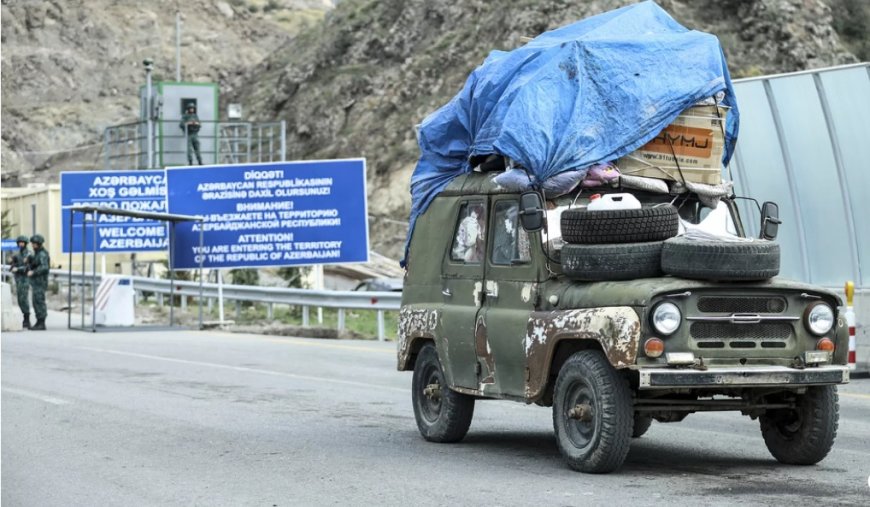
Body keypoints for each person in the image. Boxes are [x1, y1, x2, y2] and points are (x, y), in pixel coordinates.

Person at [26, 234, 50, 331]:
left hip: (40, 282)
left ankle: (41, 322)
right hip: (36, 282)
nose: (32, 245)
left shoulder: (42, 254)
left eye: (34, 244)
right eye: (32, 244)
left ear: (39, 244)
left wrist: (34, 272)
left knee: (39, 301)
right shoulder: (37, 253)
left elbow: (44, 267)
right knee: (36, 301)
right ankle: (39, 321)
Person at [9, 235, 32, 328]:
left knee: (24, 298)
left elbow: (28, 267)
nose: (21, 244)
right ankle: (24, 317)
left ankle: (27, 319)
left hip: (25, 279)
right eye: (19, 243)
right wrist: (12, 265)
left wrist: (17, 269)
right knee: (20, 299)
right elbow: (13, 264)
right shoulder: (17, 254)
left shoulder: (29, 254)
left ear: (25, 243)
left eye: (22, 242)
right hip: (18, 279)